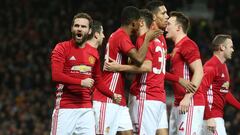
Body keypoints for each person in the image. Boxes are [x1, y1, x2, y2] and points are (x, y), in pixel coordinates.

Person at [93, 6, 161, 135]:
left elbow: (132, 60)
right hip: (107, 97)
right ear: (133, 23)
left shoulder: (118, 35)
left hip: (119, 98)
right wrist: (147, 38)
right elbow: (140, 59)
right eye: (138, 23)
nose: (139, 26)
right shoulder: (121, 37)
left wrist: (121, 67)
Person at [50, 13, 121, 135]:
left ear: (89, 31)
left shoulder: (93, 52)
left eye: (83, 26)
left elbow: (97, 80)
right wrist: (81, 82)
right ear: (72, 28)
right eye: (76, 25)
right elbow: (56, 75)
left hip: (86, 108)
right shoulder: (61, 48)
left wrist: (112, 95)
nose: (79, 28)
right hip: (65, 107)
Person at [165, 11, 205, 135]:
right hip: (178, 103)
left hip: (190, 103)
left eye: (169, 24)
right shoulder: (177, 48)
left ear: (178, 27)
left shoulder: (187, 44)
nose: (166, 27)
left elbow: (199, 71)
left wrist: (187, 97)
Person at [201, 34, 240, 135]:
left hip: (216, 117)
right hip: (211, 118)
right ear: (222, 47)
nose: (233, 50)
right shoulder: (211, 66)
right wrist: (209, 117)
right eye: (231, 47)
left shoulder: (223, 66)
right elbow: (201, 91)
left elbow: (224, 92)